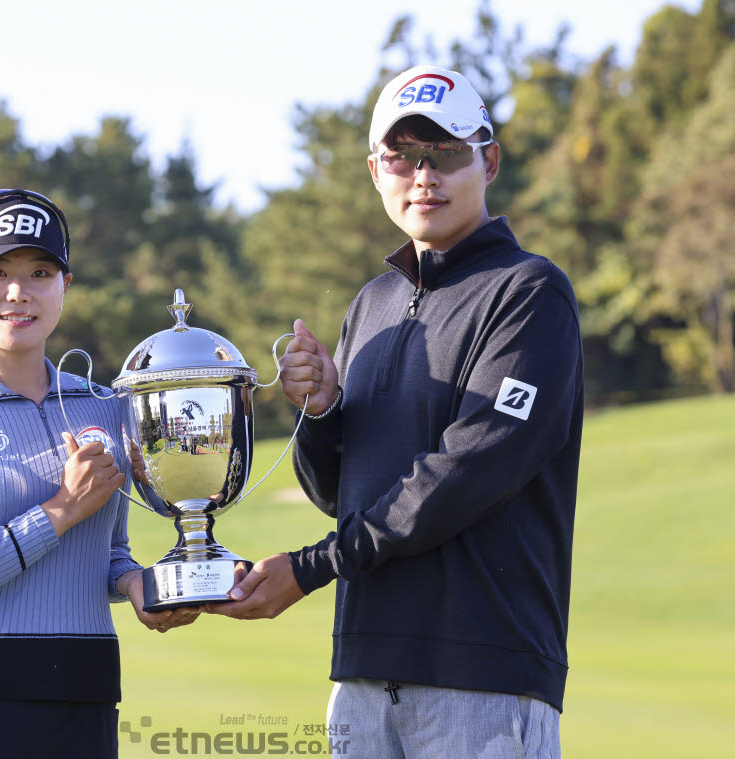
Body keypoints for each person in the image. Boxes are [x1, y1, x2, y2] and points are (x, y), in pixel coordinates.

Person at [207, 65, 583, 758]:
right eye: (402, 156)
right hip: (361, 677)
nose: (423, 175)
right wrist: (320, 411)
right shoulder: (372, 306)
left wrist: (314, 567)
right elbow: (340, 495)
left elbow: (469, 470)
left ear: (488, 159)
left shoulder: (530, 294)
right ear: (375, 169)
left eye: (444, 153)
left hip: (484, 675)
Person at [0, 189, 197, 759]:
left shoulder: (105, 407)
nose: (18, 291)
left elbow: (110, 551)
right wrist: (61, 509)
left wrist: (136, 585)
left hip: (83, 693)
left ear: (64, 287)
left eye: (39, 271)